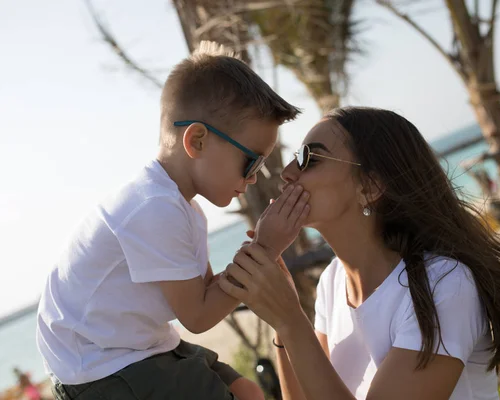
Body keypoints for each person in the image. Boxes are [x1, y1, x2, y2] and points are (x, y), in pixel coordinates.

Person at [219, 107, 500, 400]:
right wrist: (282, 322)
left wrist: (291, 320)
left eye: (311, 158)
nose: (288, 173)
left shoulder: (443, 285)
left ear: (370, 187)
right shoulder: (333, 282)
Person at [36, 41, 308, 400]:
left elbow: (211, 292)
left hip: (140, 349)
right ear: (196, 140)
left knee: (248, 392)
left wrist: (259, 252)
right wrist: (266, 247)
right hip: (101, 370)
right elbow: (198, 317)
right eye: (252, 162)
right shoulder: (154, 209)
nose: (256, 176)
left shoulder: (182, 208)